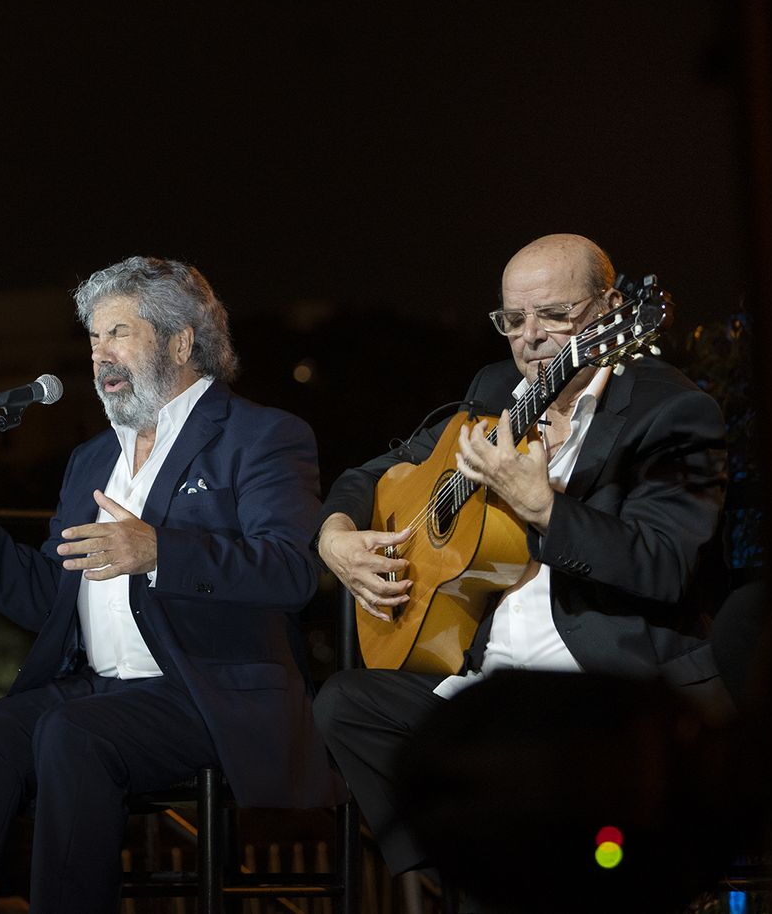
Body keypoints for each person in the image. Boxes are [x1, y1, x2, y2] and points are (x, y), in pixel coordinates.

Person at [0, 256, 334, 914]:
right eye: (94, 337)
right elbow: (53, 600)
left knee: (72, 733)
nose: (99, 353)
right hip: (99, 689)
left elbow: (290, 571)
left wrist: (160, 551)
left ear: (181, 342)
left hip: (208, 690)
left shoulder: (261, 436)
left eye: (119, 333)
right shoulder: (92, 457)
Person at [311, 233, 729, 890]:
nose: (529, 338)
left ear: (608, 310)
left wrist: (544, 508)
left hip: (603, 689)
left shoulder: (672, 410)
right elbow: (379, 470)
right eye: (513, 319)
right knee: (346, 703)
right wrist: (334, 534)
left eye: (553, 315)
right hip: (488, 688)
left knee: (512, 791)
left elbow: (663, 564)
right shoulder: (495, 391)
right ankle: (463, 883)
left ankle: (504, 883)